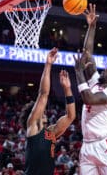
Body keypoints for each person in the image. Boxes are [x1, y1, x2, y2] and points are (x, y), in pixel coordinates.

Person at [73, 4, 107, 175]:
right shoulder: (97, 82)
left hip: (104, 145)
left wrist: (78, 73)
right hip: (87, 145)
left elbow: (88, 99)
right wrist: (92, 26)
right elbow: (87, 54)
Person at [19, 47, 76, 175]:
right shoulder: (33, 126)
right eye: (41, 111)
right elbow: (43, 94)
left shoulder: (51, 133)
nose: (43, 111)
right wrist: (48, 64)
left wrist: (67, 89)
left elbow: (70, 116)